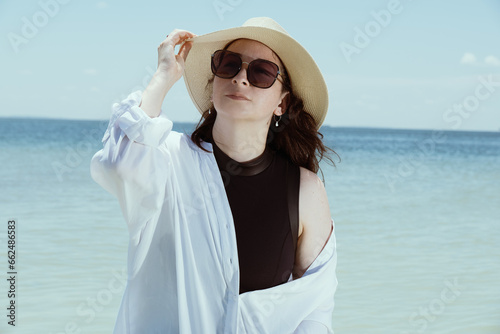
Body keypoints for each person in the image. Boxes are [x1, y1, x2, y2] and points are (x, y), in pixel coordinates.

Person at [91, 17, 339, 334]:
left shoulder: (305, 190)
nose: (240, 78)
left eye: (261, 72)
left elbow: (314, 309)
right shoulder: (168, 158)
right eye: (228, 64)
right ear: (213, 86)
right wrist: (165, 75)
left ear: (282, 102)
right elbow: (118, 162)